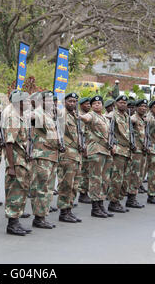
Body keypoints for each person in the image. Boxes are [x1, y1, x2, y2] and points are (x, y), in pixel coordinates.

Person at [79, 95, 114, 218]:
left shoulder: (104, 118)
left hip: (106, 151)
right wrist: (79, 115)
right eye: (94, 104)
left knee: (105, 180)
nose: (96, 105)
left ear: (102, 105)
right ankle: (95, 207)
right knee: (95, 179)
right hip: (96, 151)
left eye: (99, 103)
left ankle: (101, 204)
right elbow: (85, 118)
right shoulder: (91, 115)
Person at [28, 91, 60, 229]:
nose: (50, 103)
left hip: (52, 156)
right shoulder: (38, 114)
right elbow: (29, 116)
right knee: (40, 188)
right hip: (42, 156)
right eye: (47, 100)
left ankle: (43, 215)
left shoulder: (50, 115)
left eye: (51, 101)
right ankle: (38, 217)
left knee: (48, 188)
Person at [3, 91, 33, 235]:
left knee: (21, 191)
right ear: (18, 102)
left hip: (22, 160)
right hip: (16, 161)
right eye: (26, 100)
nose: (28, 103)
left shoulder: (21, 117)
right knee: (15, 192)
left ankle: (16, 221)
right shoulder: (13, 118)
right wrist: (11, 166)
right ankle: (12, 224)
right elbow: (8, 143)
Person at [57, 93, 83, 223]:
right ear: (64, 101)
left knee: (74, 185)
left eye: (74, 101)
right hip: (66, 154)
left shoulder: (76, 116)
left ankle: (69, 209)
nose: (72, 103)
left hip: (77, 155)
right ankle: (63, 211)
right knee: (66, 184)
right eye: (70, 101)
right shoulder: (61, 114)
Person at [107, 95, 132, 213]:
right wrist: (112, 144)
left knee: (124, 178)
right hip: (118, 150)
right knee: (116, 178)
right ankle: (113, 201)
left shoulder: (127, 116)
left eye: (125, 103)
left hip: (127, 150)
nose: (123, 104)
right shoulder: (112, 115)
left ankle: (118, 199)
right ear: (116, 104)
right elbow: (109, 132)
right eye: (121, 102)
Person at [126, 99, 147, 208]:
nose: (143, 108)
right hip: (136, 151)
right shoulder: (133, 119)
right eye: (141, 106)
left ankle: (133, 197)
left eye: (145, 106)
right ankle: (131, 198)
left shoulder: (143, 119)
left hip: (142, 151)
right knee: (134, 175)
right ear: (136, 107)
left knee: (139, 175)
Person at [77, 97, 91, 204]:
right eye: (86, 104)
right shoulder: (79, 117)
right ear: (81, 105)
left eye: (89, 104)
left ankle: (84, 192)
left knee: (86, 171)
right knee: (83, 172)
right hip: (82, 148)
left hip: (87, 147)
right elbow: (81, 134)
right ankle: (82, 193)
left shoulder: (86, 115)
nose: (88, 105)